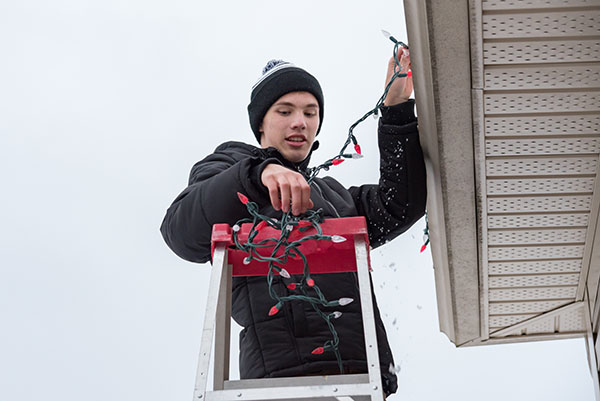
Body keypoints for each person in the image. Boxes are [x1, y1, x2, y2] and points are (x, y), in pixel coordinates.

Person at [160, 53, 426, 398]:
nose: (299, 121)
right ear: (261, 124)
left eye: (310, 113)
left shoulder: (336, 198)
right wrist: (258, 174)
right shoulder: (231, 168)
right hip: (279, 385)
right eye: (284, 111)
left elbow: (400, 203)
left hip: (362, 381)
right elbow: (181, 232)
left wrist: (396, 108)